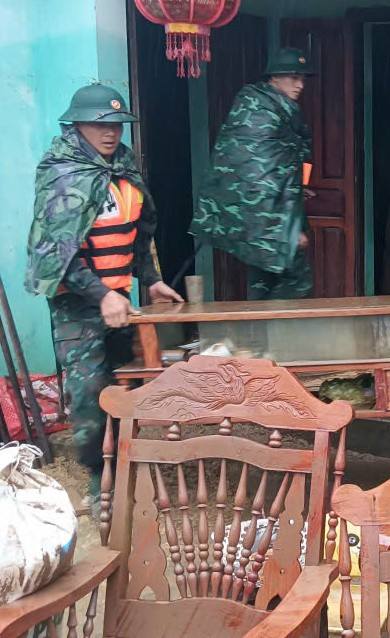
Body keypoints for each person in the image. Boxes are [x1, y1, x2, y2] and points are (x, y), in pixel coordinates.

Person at [25, 83, 183, 501]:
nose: (110, 132)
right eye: (100, 125)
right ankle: (100, 484)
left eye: (116, 124)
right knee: (90, 394)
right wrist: (102, 295)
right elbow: (57, 255)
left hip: (119, 301)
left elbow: (138, 234)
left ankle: (128, 466)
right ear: (76, 125)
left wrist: (150, 279)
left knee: (125, 384)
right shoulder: (63, 174)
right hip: (79, 307)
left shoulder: (124, 169)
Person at [191, 47, 316, 300]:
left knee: (262, 282)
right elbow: (257, 177)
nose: (300, 85)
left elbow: (282, 167)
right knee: (298, 281)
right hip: (264, 218)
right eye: (294, 77)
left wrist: (299, 188)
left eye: (303, 79)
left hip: (261, 220)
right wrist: (289, 230)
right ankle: (271, 324)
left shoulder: (278, 109)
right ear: (274, 77)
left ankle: (261, 324)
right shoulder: (259, 111)